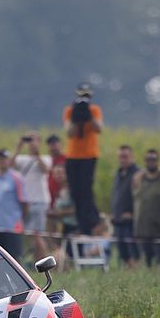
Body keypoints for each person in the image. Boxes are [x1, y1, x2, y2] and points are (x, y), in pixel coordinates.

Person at [62, 83, 103, 236]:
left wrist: (88, 116)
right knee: (75, 192)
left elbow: (99, 128)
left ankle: (90, 222)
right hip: (72, 156)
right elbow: (69, 133)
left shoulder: (94, 110)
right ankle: (81, 223)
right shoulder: (69, 111)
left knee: (86, 190)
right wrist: (75, 117)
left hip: (89, 155)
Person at [11, 133, 52, 262]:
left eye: (34, 140)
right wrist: (18, 147)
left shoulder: (45, 158)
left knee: (38, 234)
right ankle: (37, 260)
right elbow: (10, 166)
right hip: (25, 203)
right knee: (29, 234)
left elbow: (45, 170)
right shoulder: (22, 159)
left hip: (40, 201)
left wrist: (37, 153)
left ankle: (44, 260)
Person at [131, 149, 160, 268]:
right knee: (147, 260)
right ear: (144, 161)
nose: (151, 162)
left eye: (153, 159)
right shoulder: (138, 178)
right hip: (143, 228)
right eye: (148, 159)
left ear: (158, 161)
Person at [0, 148, 27, 261]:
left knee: (14, 259)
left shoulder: (16, 178)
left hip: (11, 227)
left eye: (4, 159)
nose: (1, 161)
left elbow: (24, 203)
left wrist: (19, 219)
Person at [109, 145, 140, 267]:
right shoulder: (119, 173)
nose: (122, 160)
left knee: (133, 250)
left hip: (131, 221)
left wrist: (133, 213)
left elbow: (140, 197)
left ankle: (136, 271)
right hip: (118, 220)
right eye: (120, 157)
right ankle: (129, 270)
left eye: (125, 157)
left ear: (132, 157)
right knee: (123, 251)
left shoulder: (138, 174)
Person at [46, 134, 67, 207]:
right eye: (50, 145)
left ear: (60, 144)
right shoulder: (47, 160)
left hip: (63, 197)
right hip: (49, 197)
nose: (53, 147)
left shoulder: (67, 159)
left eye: (55, 144)